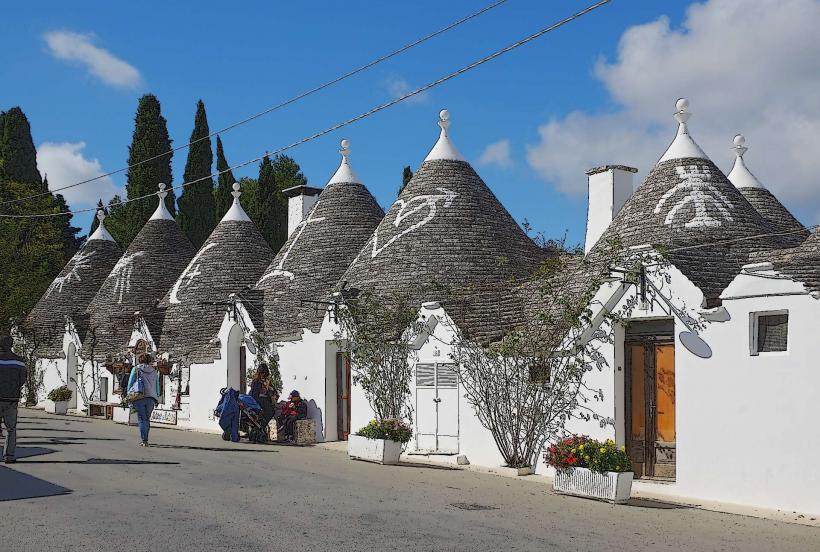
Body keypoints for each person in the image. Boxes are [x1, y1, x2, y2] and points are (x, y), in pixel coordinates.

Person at [0, 336, 26, 464]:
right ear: (11, 345)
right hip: (11, 399)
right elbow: (22, 380)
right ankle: (9, 456)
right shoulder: (19, 361)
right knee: (11, 429)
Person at [127, 353, 161, 447]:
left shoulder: (136, 369)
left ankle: (144, 440)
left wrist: (128, 395)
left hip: (139, 396)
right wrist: (157, 396)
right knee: (147, 419)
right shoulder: (154, 371)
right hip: (151, 398)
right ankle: (145, 438)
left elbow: (130, 383)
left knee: (142, 419)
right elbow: (157, 385)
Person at [248, 363, 278, 429]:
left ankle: (261, 425)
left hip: (262, 399)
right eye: (262, 373)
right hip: (259, 399)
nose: (263, 374)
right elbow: (255, 392)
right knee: (270, 411)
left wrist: (270, 389)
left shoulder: (265, 380)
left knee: (271, 411)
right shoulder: (257, 381)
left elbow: (272, 390)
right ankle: (261, 425)